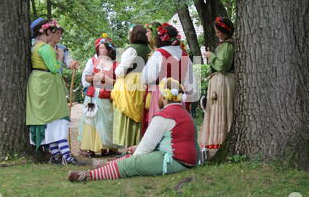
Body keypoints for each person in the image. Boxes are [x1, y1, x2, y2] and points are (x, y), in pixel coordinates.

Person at [68, 78, 199, 182]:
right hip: (188, 159)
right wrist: (137, 148)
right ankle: (107, 166)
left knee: (133, 162)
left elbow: (146, 147)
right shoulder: (185, 113)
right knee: (133, 155)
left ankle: (89, 175)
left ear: (164, 97)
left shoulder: (164, 116)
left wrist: (135, 156)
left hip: (175, 160)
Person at [26, 19, 83, 165]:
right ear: (45, 32)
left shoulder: (34, 46)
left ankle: (57, 156)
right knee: (58, 118)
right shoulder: (44, 48)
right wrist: (60, 57)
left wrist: (68, 61)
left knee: (49, 121)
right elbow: (54, 67)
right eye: (54, 32)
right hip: (48, 84)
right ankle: (66, 156)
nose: (56, 35)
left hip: (39, 83)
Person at [142, 23, 195, 132]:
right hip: (179, 95)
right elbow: (190, 81)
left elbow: (148, 77)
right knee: (177, 126)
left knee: (160, 126)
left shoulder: (159, 54)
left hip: (161, 94)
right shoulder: (184, 55)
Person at [78, 33, 119, 157]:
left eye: (104, 48)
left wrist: (109, 80)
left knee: (107, 121)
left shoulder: (115, 64)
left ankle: (107, 146)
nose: (102, 50)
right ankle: (90, 147)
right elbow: (86, 77)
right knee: (91, 119)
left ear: (109, 49)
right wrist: (95, 77)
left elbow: (119, 81)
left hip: (106, 95)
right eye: (100, 48)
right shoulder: (92, 61)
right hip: (93, 95)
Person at [112, 25, 151, 148]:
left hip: (131, 82)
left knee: (127, 110)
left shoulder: (131, 49)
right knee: (139, 111)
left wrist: (117, 71)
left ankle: (127, 144)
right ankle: (138, 143)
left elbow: (121, 70)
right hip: (144, 81)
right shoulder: (149, 49)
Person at [200, 16, 235, 150]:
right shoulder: (224, 45)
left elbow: (223, 65)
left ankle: (221, 139)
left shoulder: (227, 45)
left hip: (224, 82)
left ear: (225, 31)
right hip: (221, 82)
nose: (216, 34)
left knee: (221, 110)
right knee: (218, 109)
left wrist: (211, 56)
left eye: (218, 31)